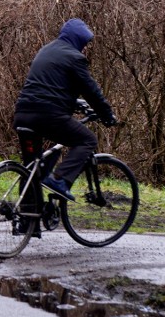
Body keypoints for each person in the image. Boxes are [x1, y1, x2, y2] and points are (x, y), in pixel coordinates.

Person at [13, 18, 117, 201]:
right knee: (87, 140)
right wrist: (106, 114)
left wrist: (76, 103)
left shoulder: (46, 50)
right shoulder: (74, 58)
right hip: (47, 116)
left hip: (23, 113)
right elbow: (91, 90)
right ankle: (60, 180)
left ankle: (28, 221)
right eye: (83, 43)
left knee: (32, 168)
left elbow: (48, 88)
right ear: (78, 40)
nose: (84, 48)